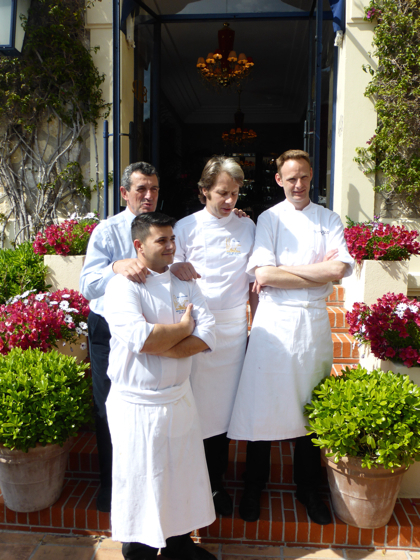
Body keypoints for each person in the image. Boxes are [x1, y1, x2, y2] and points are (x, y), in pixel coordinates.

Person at [228, 149, 354, 525]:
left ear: (311, 176)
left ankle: (308, 489)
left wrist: (288, 272)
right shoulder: (269, 219)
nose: (298, 184)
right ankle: (254, 486)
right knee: (263, 404)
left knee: (308, 407)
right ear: (279, 180)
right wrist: (317, 271)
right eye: (290, 178)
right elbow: (264, 275)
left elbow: (339, 270)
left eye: (303, 177)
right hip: (274, 322)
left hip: (313, 323)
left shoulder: (329, 219)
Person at [104, 212, 217, 560]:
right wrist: (183, 329)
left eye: (173, 239)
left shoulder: (185, 282)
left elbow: (208, 333)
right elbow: (140, 338)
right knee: (140, 480)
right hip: (137, 405)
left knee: (180, 477)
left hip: (178, 399)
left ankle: (178, 545)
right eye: (162, 240)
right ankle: (138, 549)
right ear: (139, 245)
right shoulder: (123, 287)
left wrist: (163, 342)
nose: (171, 247)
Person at [172, 156, 258, 517]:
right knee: (193, 409)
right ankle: (191, 482)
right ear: (204, 190)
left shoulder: (247, 225)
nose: (229, 200)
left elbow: (254, 280)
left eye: (235, 193)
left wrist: (256, 323)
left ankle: (216, 483)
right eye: (222, 192)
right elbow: (169, 273)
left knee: (222, 413)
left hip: (233, 330)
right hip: (196, 329)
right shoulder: (185, 227)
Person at [79, 162, 160, 512]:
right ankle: (111, 487)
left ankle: (145, 485)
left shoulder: (164, 229)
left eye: (154, 189)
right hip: (108, 331)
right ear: (125, 193)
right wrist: (116, 266)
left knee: (144, 408)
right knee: (108, 407)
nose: (148, 195)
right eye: (141, 189)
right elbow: (87, 285)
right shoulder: (107, 231)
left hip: (149, 332)